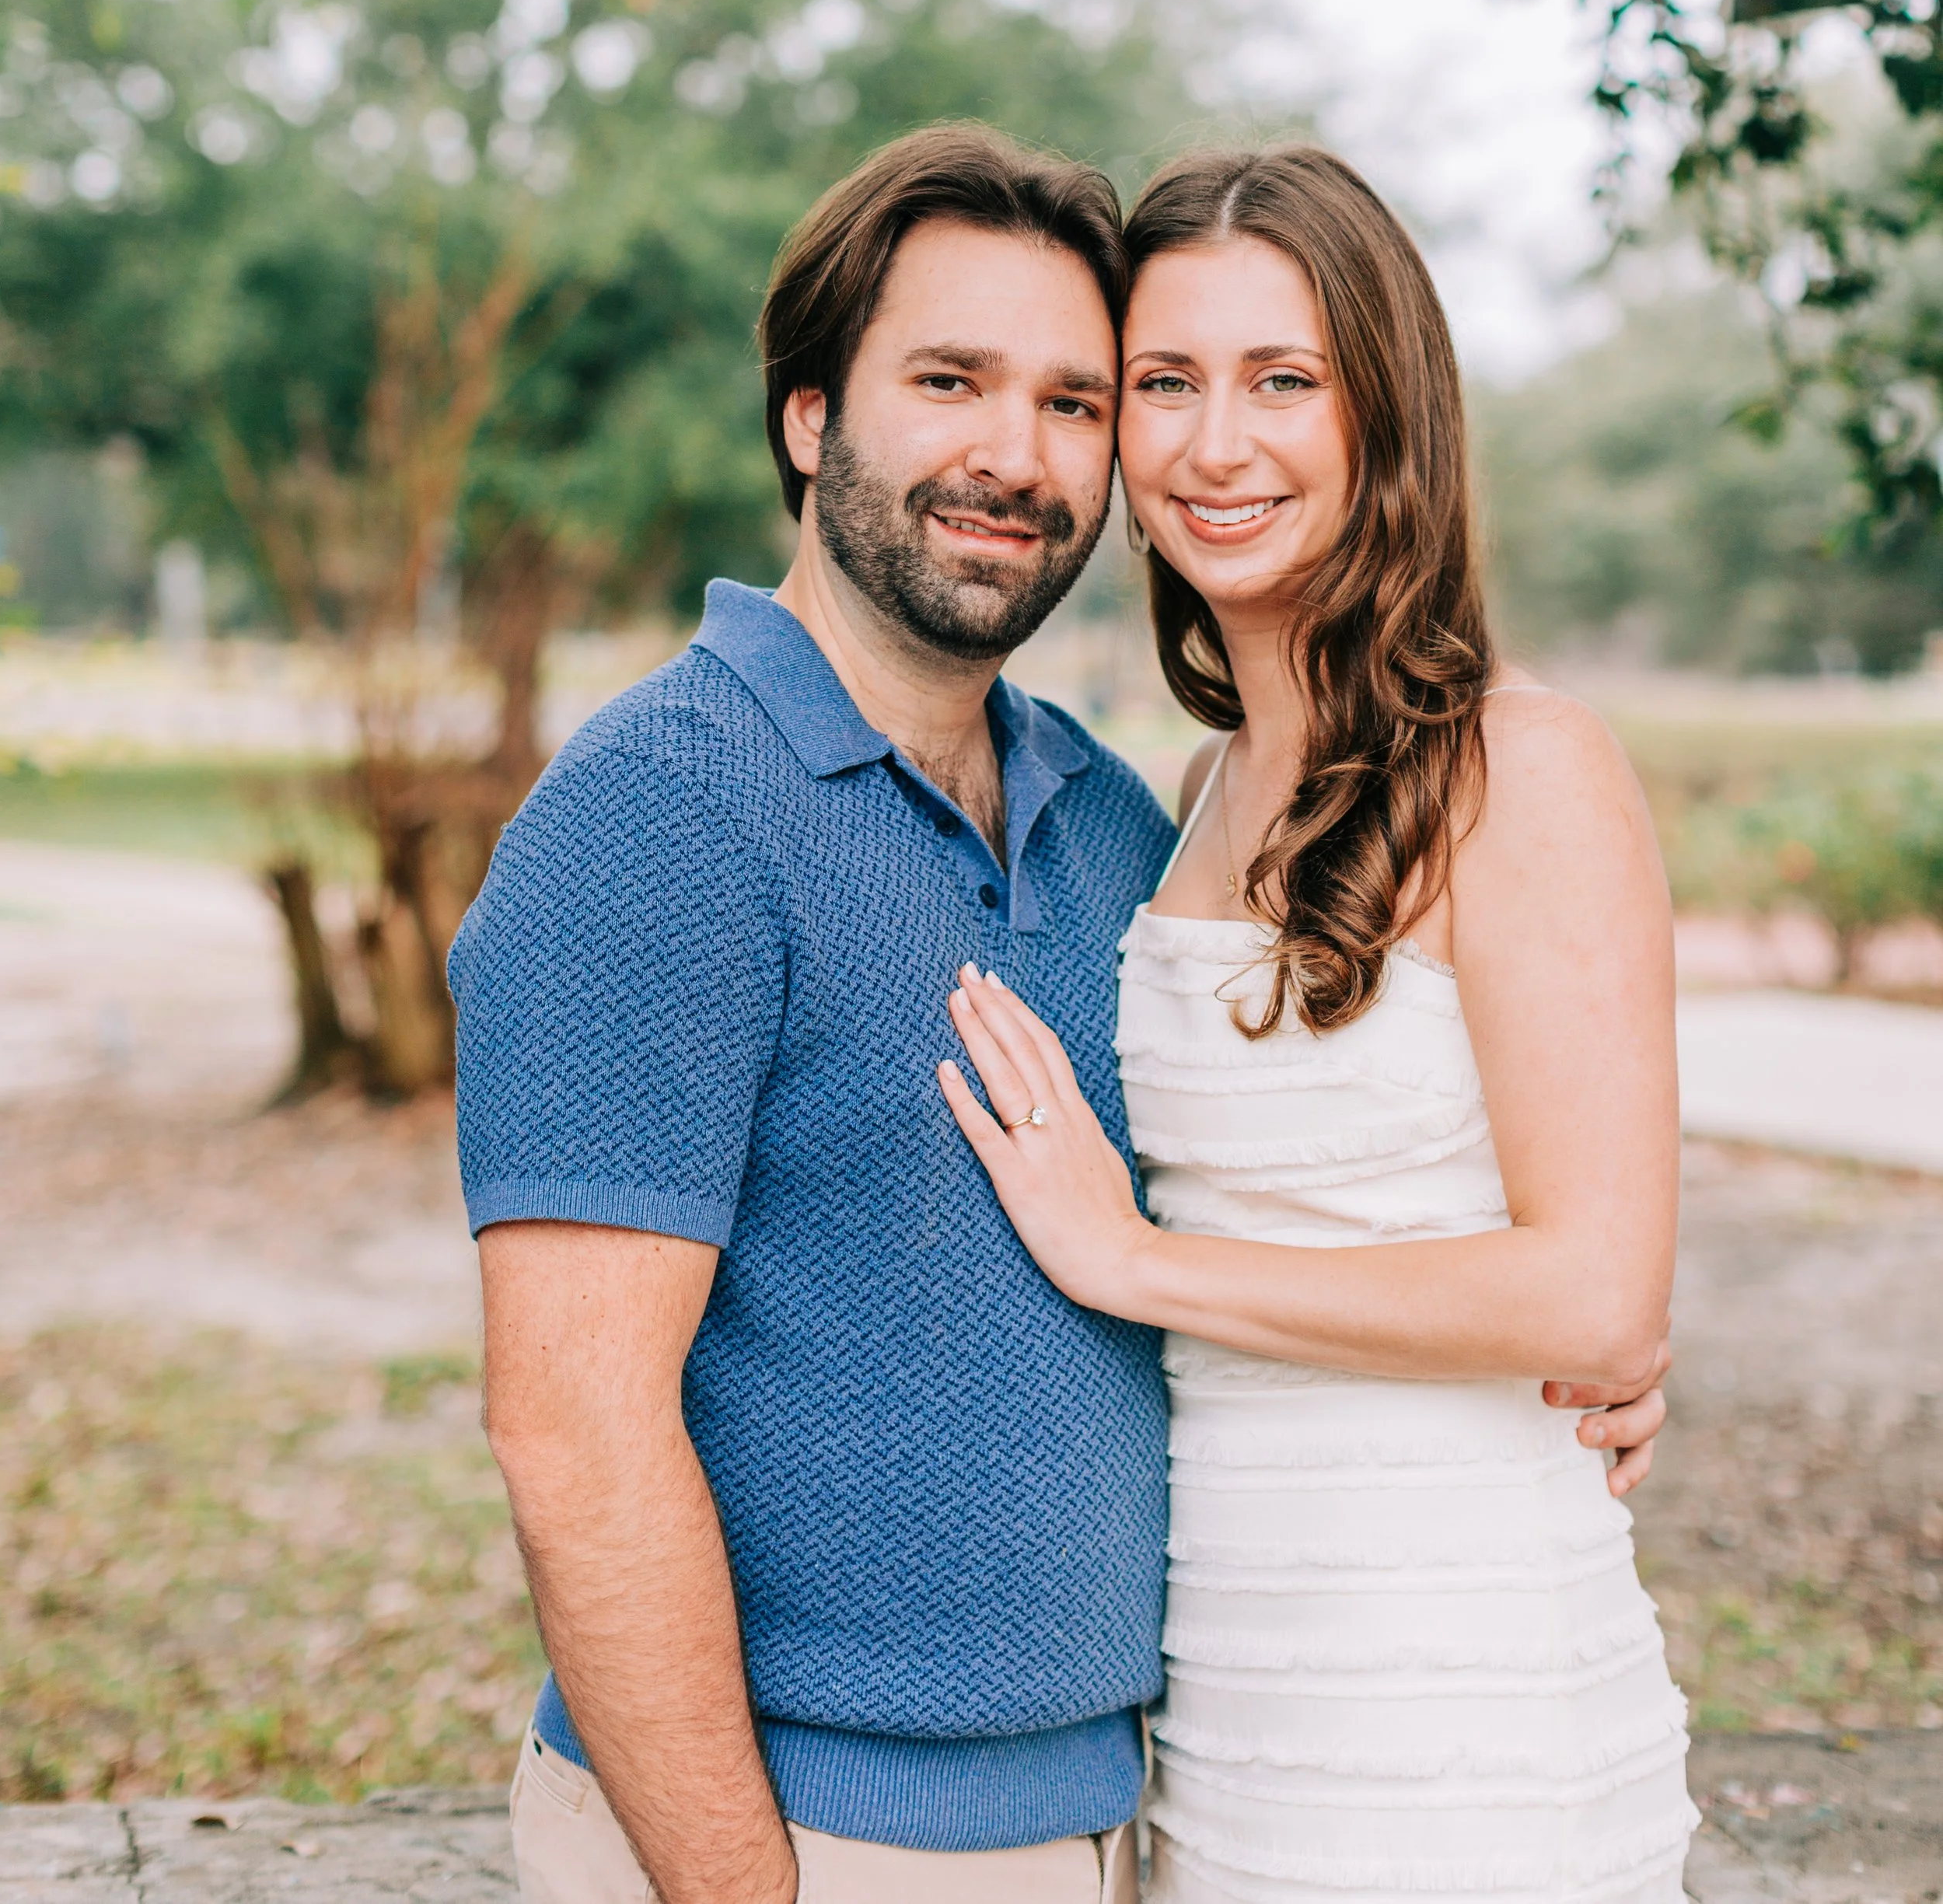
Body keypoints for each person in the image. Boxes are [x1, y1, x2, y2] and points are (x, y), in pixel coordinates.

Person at [452, 122, 1671, 1904]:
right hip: (811, 1835)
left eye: (1076, 400)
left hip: (1180, 1780)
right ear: (809, 419)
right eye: (948, 380)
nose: (1014, 456)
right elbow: (569, 1436)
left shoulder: (1116, 824)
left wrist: (1599, 1334)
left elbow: (1481, 1224)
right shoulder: (661, 809)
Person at [942, 143, 1695, 1904]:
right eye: (1164, 385)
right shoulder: (1197, 792)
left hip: (1460, 1699)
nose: (1217, 446)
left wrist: (1130, 1263)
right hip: (1232, 1690)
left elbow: (1593, 1289)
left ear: (1386, 414)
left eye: (1283, 381)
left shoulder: (1519, 764)